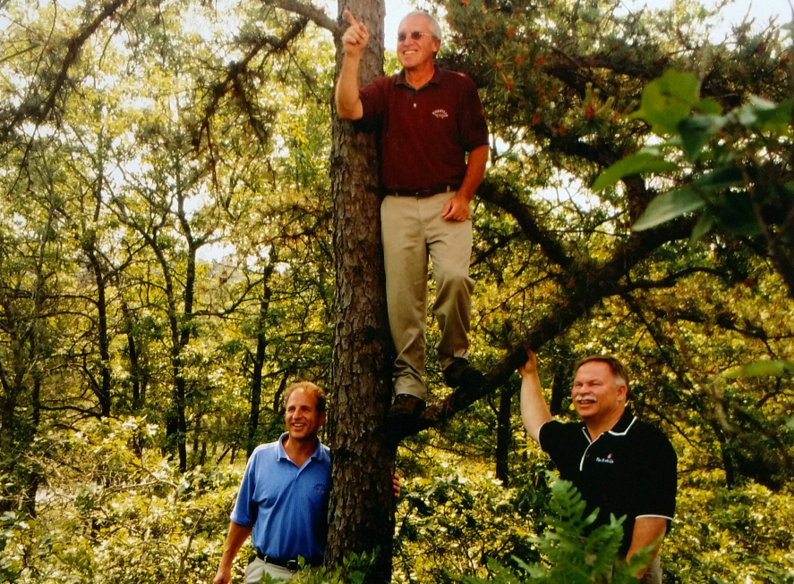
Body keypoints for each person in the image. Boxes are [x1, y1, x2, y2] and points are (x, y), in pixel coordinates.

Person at [335, 9, 490, 423]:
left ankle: (455, 360)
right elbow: (348, 109)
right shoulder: (386, 89)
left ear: (435, 44)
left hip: (447, 204)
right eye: (401, 36)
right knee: (403, 301)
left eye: (416, 35)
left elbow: (478, 147)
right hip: (398, 205)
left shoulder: (458, 87)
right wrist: (352, 55)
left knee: (455, 278)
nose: (406, 42)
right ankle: (409, 387)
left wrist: (464, 195)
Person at [213, 382, 401, 583]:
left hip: (312, 575)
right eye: (291, 409)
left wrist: (385, 487)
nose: (296, 416)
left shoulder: (334, 465)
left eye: (305, 409)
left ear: (321, 418)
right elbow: (243, 518)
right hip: (264, 571)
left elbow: (359, 506)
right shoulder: (261, 458)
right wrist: (224, 566)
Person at [518, 351, 677, 584]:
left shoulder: (648, 443)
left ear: (620, 392)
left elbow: (653, 523)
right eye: (578, 385)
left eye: (594, 384)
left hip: (624, 567)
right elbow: (538, 425)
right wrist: (530, 374)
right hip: (577, 563)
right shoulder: (575, 439)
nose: (583, 391)